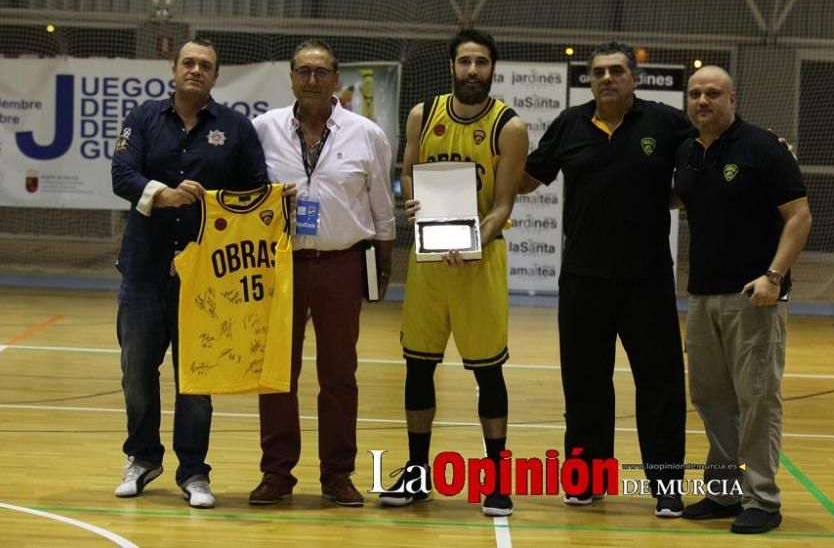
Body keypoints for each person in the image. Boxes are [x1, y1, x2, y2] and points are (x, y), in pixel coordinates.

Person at [520, 41, 691, 516]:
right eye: (598, 72)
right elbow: (526, 178)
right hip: (583, 278)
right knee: (585, 383)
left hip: (648, 279)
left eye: (617, 71)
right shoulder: (569, 125)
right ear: (589, 80)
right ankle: (586, 478)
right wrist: (463, 181)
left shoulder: (665, 122)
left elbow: (709, 156)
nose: (607, 78)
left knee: (659, 384)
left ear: (634, 78)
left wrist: (767, 148)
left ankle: (666, 485)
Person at [111, 37, 269, 508]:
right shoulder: (141, 119)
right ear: (173, 69)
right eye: (189, 63)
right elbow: (121, 175)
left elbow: (255, 192)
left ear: (216, 76)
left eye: (206, 65)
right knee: (136, 372)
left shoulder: (237, 128)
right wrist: (164, 194)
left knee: (196, 380)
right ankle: (142, 459)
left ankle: (194, 471)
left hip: (207, 278)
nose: (196, 70)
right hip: (143, 270)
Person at [379, 28, 528, 517]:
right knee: (419, 366)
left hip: (480, 261)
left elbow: (504, 203)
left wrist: (472, 242)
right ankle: (418, 474)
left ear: (492, 69)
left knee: (489, 372)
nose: (472, 71)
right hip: (429, 264)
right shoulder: (424, 114)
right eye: (465, 62)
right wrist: (413, 205)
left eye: (481, 63)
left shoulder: (509, 126)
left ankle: (498, 479)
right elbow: (406, 173)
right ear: (451, 66)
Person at [248, 39, 396, 508]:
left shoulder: (367, 133)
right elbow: (244, 199)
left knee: (339, 375)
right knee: (277, 374)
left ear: (336, 79)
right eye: (303, 71)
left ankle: (337, 474)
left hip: (341, 264)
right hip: (280, 266)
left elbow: (382, 211)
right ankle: (276, 473)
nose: (312, 80)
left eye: (321, 72)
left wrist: (383, 268)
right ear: (291, 77)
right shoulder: (262, 130)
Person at [674, 66, 811, 534]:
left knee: (757, 399)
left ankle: (763, 499)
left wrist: (774, 276)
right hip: (702, 296)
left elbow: (799, 216)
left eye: (713, 93)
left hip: (754, 297)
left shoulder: (762, 147)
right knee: (711, 397)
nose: (702, 101)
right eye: (695, 94)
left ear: (733, 99)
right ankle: (724, 492)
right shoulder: (687, 152)